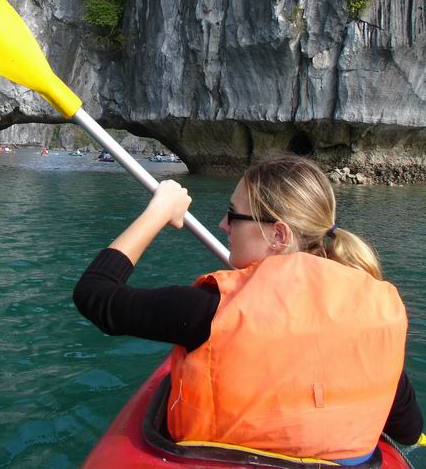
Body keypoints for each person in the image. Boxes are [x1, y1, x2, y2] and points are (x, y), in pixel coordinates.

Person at [74, 154, 424, 462]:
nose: (223, 225)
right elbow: (408, 431)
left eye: (232, 215)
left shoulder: (208, 311)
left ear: (279, 235)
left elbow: (94, 294)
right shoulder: (375, 312)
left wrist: (158, 212)